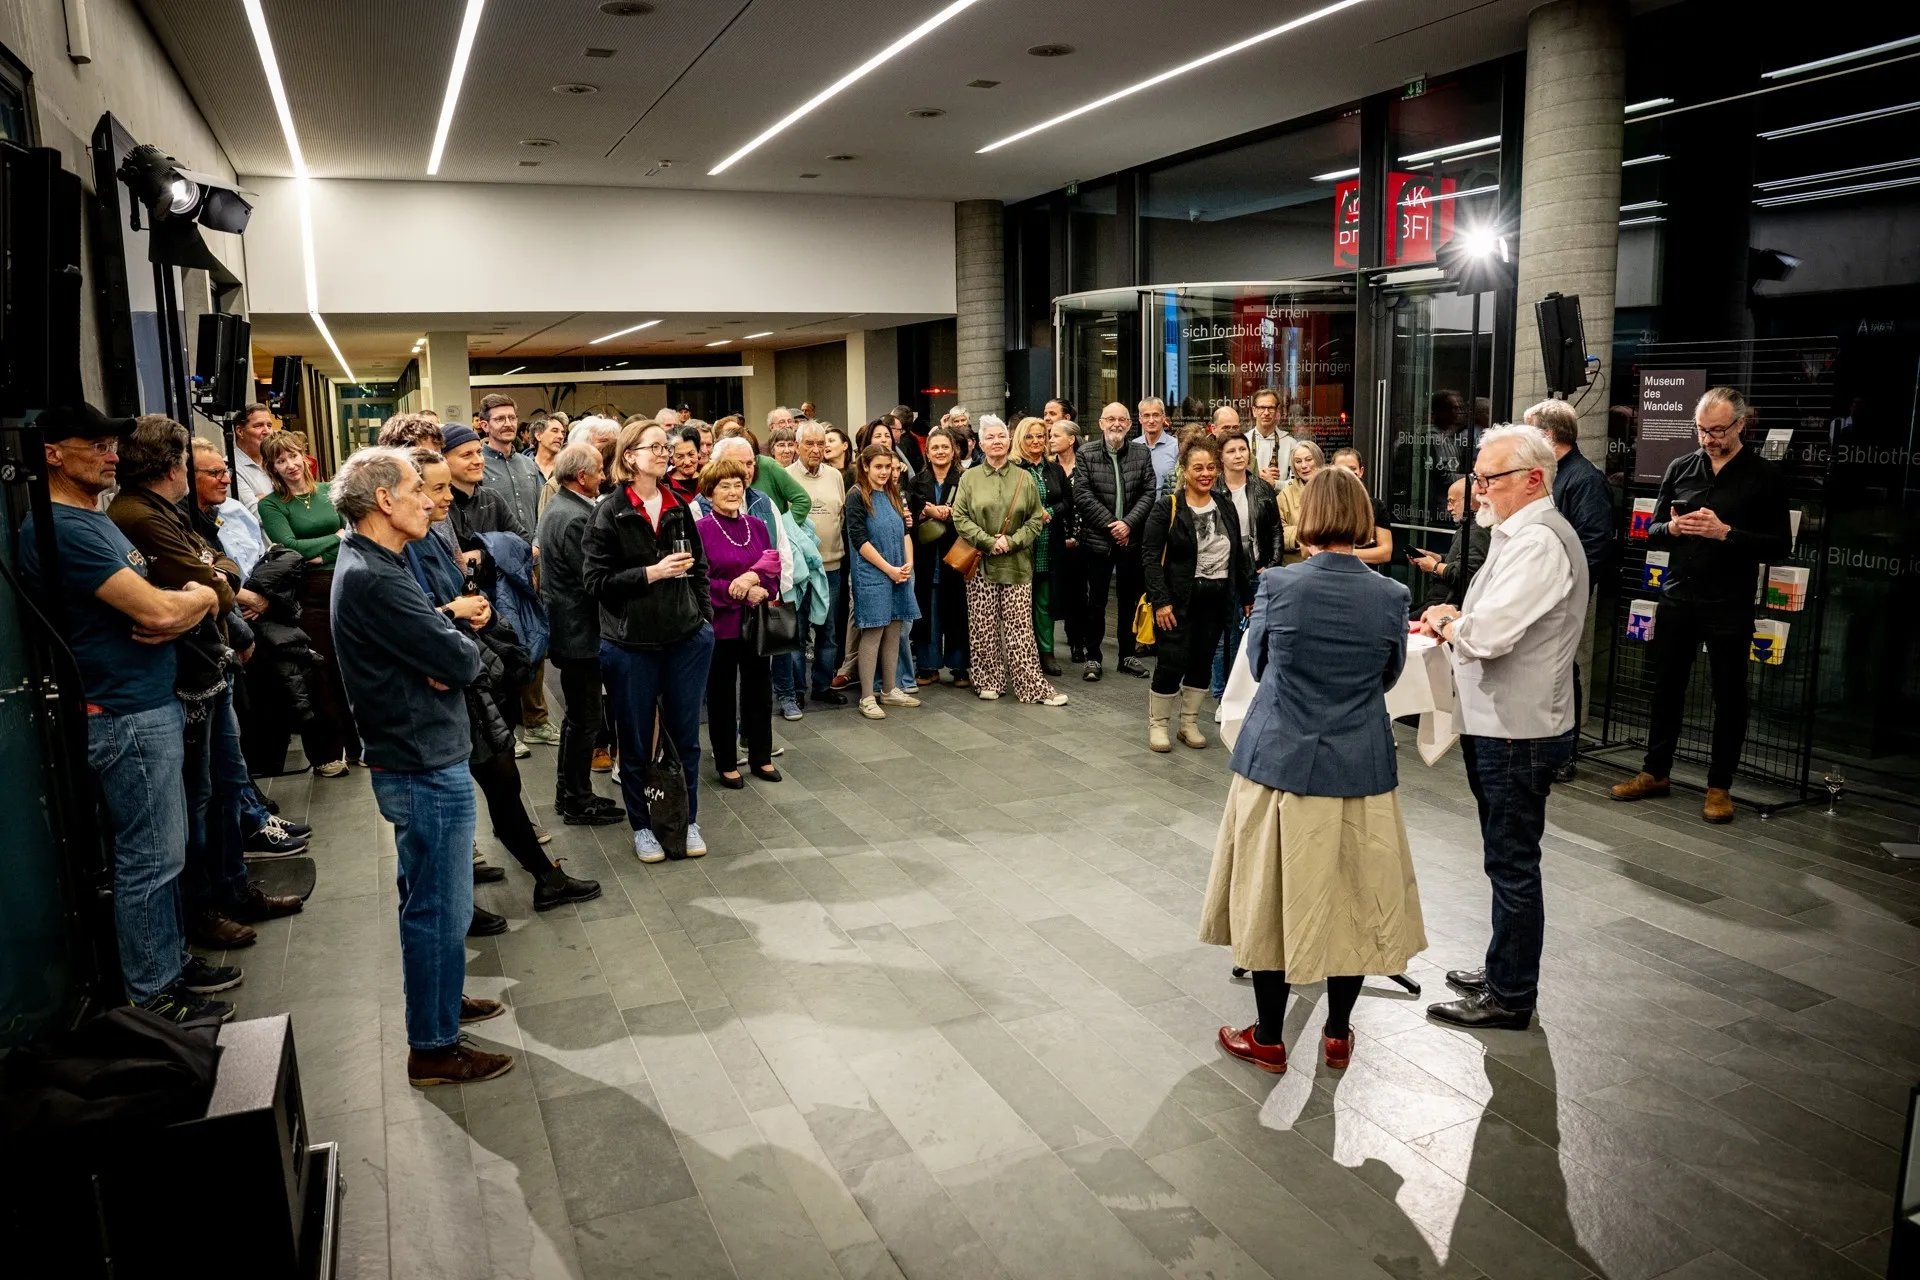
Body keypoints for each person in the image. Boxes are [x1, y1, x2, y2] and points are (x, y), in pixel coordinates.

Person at [1205, 464, 1425, 1074]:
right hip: (1359, 766)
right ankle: (1337, 1033)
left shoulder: (1278, 584)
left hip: (1280, 763)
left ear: (1307, 516)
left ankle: (1268, 1037)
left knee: (1272, 897)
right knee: (1353, 897)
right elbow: (1389, 676)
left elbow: (1258, 661)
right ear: (1360, 518)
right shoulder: (1391, 595)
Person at [20, 404, 236, 1021]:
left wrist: (182, 601)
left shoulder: (94, 518)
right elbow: (161, 610)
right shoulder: (66, 529)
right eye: (95, 445)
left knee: (167, 851)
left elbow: (166, 602)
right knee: (151, 856)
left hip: (145, 702)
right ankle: (155, 994)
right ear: (52, 454)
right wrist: (199, 596)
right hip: (123, 711)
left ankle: (170, 963)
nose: (111, 455)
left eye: (112, 444)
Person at [328, 446, 513, 1086]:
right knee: (440, 906)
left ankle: (441, 1001)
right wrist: (449, 645)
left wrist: (440, 638)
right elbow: (460, 660)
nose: (430, 502)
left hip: (421, 750)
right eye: (416, 490)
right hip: (420, 759)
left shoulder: (380, 561)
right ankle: (433, 1046)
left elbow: (438, 646)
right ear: (384, 500)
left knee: (429, 896)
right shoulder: (375, 576)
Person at [110, 415, 303, 950]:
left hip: (208, 667)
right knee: (198, 801)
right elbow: (213, 583)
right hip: (186, 676)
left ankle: (233, 889)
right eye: (199, 467)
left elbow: (223, 567)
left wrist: (216, 578)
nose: (219, 479)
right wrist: (214, 581)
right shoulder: (136, 515)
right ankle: (203, 908)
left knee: (226, 786)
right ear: (173, 467)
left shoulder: (166, 511)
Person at [1419, 425, 1588, 1030]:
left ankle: (1511, 995)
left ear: (1534, 478)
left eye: (1490, 478)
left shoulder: (1539, 541)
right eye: (1480, 477)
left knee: (1512, 863)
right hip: (1503, 721)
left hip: (1520, 728)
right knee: (1504, 858)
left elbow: (1489, 634)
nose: (1481, 489)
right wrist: (1461, 619)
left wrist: (1446, 621)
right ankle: (1503, 969)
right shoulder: (1517, 534)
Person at [408, 447, 604, 919]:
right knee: (476, 789)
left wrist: (470, 605)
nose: (444, 498)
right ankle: (473, 897)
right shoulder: (402, 549)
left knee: (499, 780)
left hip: (468, 673)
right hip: (444, 687)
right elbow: (417, 620)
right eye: (436, 489)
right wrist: (455, 610)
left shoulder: (431, 534)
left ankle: (531, 878)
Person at [1611, 386, 1789, 822]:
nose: (1709, 439)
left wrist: (1725, 533)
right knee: (1665, 688)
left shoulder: (1763, 475)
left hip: (1729, 601)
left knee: (1729, 695)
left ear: (1741, 424)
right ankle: (1656, 771)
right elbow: (1651, 531)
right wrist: (1672, 529)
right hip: (1677, 595)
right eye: (1702, 430)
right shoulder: (1680, 467)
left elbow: (1780, 546)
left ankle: (1719, 786)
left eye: (1718, 431)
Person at [584, 421, 714, 862]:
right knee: (636, 743)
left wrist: (703, 622)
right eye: (654, 446)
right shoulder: (610, 512)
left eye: (666, 446)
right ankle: (642, 826)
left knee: (686, 739)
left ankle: (687, 819)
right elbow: (595, 582)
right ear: (629, 456)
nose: (664, 453)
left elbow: (699, 569)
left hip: (685, 639)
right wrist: (651, 574)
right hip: (630, 645)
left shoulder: (679, 505)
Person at [256, 428, 359, 775]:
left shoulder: (330, 491)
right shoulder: (271, 504)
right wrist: (335, 538)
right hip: (308, 592)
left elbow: (354, 532)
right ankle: (327, 753)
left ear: (304, 455)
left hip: (345, 582)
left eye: (293, 456)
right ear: (271, 468)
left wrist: (321, 549)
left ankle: (360, 746)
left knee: (352, 664)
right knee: (320, 670)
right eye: (280, 461)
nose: (290, 465)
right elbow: (289, 549)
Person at [1141, 435, 1251, 751]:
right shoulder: (1168, 507)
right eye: (1198, 468)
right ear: (1185, 470)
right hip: (1177, 602)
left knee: (1202, 661)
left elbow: (1239, 555)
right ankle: (1158, 725)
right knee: (1172, 661)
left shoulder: (1225, 505)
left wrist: (1246, 597)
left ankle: (1188, 723)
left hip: (1216, 599)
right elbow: (1150, 557)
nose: (1206, 474)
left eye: (1211, 467)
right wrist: (1161, 601)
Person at [537, 443, 626, 827]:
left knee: (579, 718)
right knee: (585, 719)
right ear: (582, 475)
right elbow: (593, 577)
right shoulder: (573, 517)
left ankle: (570, 794)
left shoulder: (562, 506)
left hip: (571, 630)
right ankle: (577, 799)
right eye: (599, 471)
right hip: (579, 633)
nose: (604, 477)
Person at [952, 418, 1068, 707]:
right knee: (982, 625)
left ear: (1009, 441)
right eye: (990, 437)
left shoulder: (1024, 478)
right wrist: (989, 542)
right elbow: (960, 517)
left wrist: (1011, 541)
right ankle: (988, 681)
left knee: (1020, 629)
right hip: (981, 563)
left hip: (1017, 563)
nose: (996, 442)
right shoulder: (969, 478)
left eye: (1001, 436)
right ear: (981, 444)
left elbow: (1036, 519)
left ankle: (1031, 687)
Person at [1527, 398, 1614, 782]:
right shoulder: (1548, 474)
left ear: (1548, 435)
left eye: (1530, 432)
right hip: (1537, 586)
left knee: (1560, 669)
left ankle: (1563, 753)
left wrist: (1567, 588)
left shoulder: (1584, 479)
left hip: (1562, 592)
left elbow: (1595, 543)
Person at [696, 456, 786, 777]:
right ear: (709, 492)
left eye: (738, 485)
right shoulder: (701, 530)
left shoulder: (757, 526)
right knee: (721, 695)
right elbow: (700, 581)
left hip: (756, 622)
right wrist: (740, 591)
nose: (734, 491)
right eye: (725, 486)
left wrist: (756, 584)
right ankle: (726, 763)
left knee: (759, 691)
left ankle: (761, 757)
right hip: (721, 625)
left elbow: (773, 567)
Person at [479, 394, 556, 746]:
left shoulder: (528, 465)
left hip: (532, 562)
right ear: (485, 424)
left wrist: (536, 547)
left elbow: (543, 511)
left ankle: (536, 720)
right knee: (504, 641)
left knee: (534, 635)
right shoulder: (478, 464)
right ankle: (508, 725)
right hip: (497, 568)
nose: (508, 423)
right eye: (499, 419)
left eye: (511, 417)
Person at [1072, 403, 1156, 681]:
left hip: (1131, 541)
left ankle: (1127, 656)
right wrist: (1113, 525)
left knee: (1128, 602)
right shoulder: (1086, 453)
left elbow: (1149, 492)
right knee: (1095, 602)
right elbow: (1082, 495)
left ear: (1130, 424)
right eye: (1110, 419)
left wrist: (1128, 523)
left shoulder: (1141, 453)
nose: (1116, 424)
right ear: (1101, 423)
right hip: (1098, 541)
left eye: (1122, 419)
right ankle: (1093, 658)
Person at [845, 445, 923, 719]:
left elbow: (905, 532)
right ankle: (867, 696)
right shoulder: (856, 495)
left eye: (888, 467)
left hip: (898, 571)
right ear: (865, 466)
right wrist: (889, 569)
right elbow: (859, 540)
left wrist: (907, 564)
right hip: (873, 573)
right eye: (878, 466)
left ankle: (889, 689)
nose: (884, 472)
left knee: (894, 628)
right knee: (874, 630)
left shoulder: (893, 492)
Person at [1210, 431, 1278, 697]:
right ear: (1221, 457)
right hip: (1223, 572)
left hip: (1257, 569)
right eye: (1231, 451)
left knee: (1255, 634)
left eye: (1242, 449)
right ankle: (1222, 693)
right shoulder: (1212, 488)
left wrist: (1271, 564)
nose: (1239, 455)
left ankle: (1250, 693)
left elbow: (1275, 530)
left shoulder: (1262, 488)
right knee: (1224, 636)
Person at [787, 421, 848, 706]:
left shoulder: (835, 476)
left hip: (831, 566)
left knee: (828, 631)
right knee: (797, 632)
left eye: (820, 444)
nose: (815, 449)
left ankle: (822, 686)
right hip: (799, 570)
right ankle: (797, 690)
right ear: (797, 446)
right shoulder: (785, 476)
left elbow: (840, 516)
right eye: (809, 443)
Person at [907, 427, 970, 687]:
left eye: (945, 447)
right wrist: (925, 513)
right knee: (927, 613)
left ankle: (959, 667)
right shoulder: (916, 482)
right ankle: (927, 666)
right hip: (926, 558)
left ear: (954, 451)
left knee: (957, 611)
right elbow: (908, 516)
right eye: (935, 447)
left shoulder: (965, 479)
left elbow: (972, 513)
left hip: (956, 555)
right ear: (927, 452)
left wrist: (951, 513)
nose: (940, 451)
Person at [1014, 416, 1072, 676]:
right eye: (1030, 436)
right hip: (1022, 546)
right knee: (1019, 605)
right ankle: (1023, 655)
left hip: (1049, 546)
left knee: (1045, 602)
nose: (1036, 441)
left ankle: (1047, 653)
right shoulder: (1013, 469)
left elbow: (1068, 502)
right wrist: (1035, 514)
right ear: (1020, 439)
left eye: (1041, 436)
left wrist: (1050, 511)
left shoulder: (1055, 469)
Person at [1046, 420, 1094, 667]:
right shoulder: (1049, 468)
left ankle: (1077, 642)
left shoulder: (1085, 467)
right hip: (1053, 539)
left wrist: (1076, 537)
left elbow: (1089, 504)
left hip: (1081, 539)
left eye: (1056, 435)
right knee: (1057, 591)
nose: (1051, 439)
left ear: (1071, 439)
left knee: (1078, 593)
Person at [1408, 476, 1491, 608]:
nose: (1449, 508)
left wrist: (1435, 567)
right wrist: (1437, 558)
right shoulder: (1467, 528)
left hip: (1446, 604)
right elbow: (1460, 560)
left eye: (1452, 502)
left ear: (1469, 500)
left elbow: (1467, 574)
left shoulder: (1476, 532)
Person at [1330, 447, 1394, 567]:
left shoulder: (1376, 506)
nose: (1347, 474)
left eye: (1352, 469)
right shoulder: (1323, 504)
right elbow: (1307, 550)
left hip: (1364, 574)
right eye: (1341, 469)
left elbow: (1385, 552)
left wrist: (1341, 553)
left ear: (1361, 471)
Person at [1247, 387, 1300, 488]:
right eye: (1262, 407)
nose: (1266, 413)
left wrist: (1276, 484)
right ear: (1254, 411)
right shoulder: (1244, 441)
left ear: (1277, 411)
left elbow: (1298, 483)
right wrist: (1257, 477)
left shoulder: (1290, 443)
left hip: (1280, 497)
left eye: (1271, 408)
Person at [231, 402, 276, 509]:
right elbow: (255, 513)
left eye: (269, 426)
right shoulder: (231, 468)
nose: (267, 431)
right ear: (240, 431)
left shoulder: (277, 461)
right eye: (258, 425)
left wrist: (265, 501)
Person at [1136, 397, 1179, 496]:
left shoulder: (1176, 447)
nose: (1151, 420)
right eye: (1146, 416)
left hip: (1168, 505)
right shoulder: (1133, 446)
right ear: (1140, 419)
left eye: (1156, 415)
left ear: (1163, 417)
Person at [667, 427, 703, 503]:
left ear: (698, 452)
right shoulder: (665, 485)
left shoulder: (710, 478)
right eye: (679, 457)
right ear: (671, 458)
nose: (687, 462)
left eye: (691, 454)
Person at [823, 424, 856, 492]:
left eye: (831, 441)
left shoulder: (857, 473)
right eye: (824, 443)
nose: (826, 445)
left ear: (845, 446)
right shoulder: (820, 473)